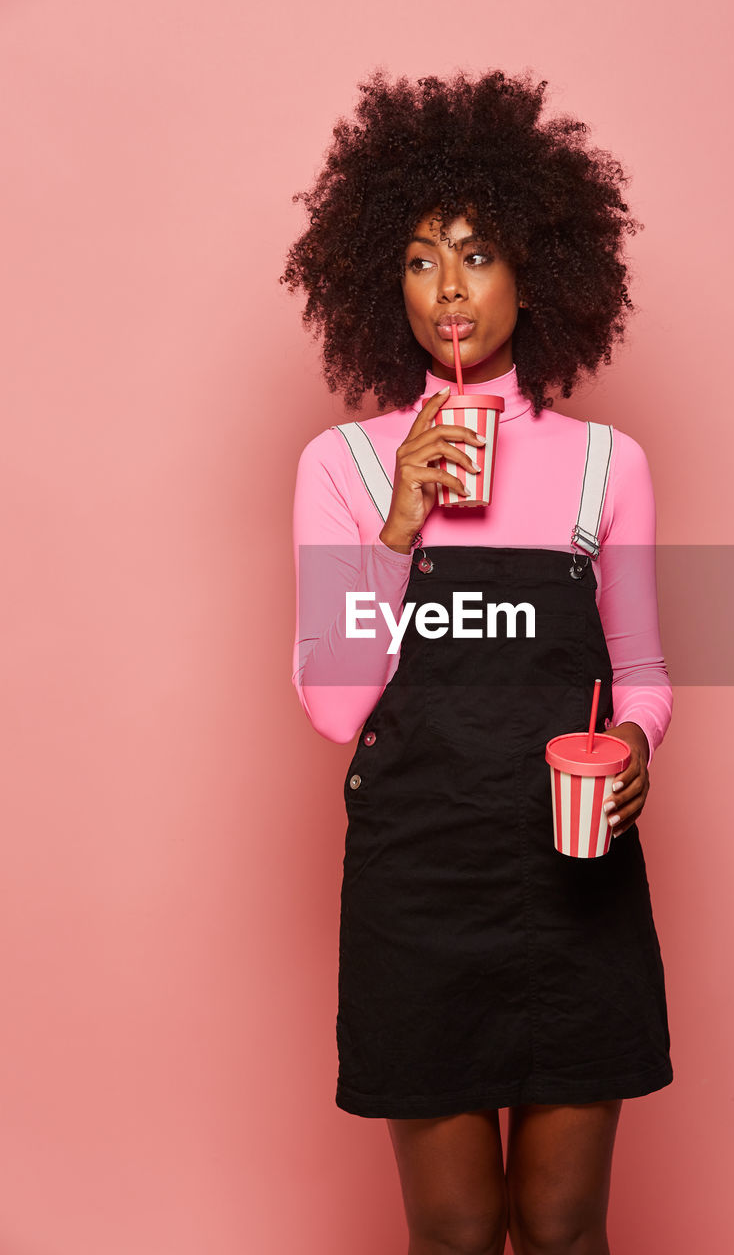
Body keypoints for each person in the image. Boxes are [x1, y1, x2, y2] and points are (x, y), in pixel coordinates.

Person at [283, 67, 673, 1255]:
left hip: (577, 882)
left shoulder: (610, 464)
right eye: (417, 258)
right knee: (454, 1233)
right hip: (418, 888)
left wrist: (637, 747)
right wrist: (398, 526)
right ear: (378, 281)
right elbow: (335, 704)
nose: (448, 288)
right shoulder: (342, 466)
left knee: (561, 1227)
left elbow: (644, 669)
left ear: (535, 268)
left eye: (477, 251)